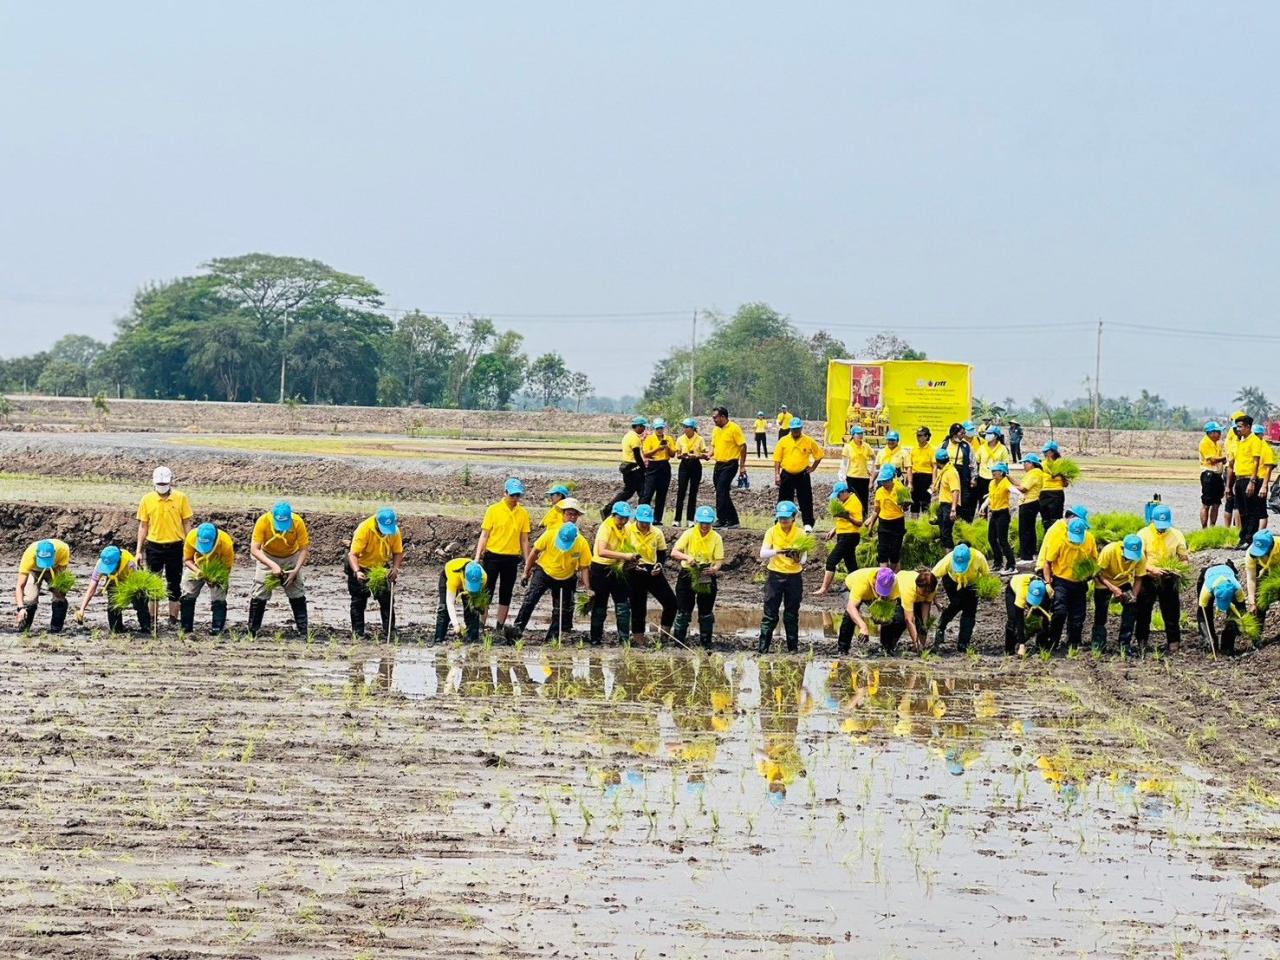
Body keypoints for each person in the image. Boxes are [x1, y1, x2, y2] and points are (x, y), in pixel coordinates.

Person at [514, 502, 592, 643]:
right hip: (544, 571)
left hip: (566, 577)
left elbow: (584, 567)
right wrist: (526, 572)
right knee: (530, 600)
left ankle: (552, 638)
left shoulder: (582, 543)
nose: (572, 517)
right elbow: (534, 552)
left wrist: (587, 588)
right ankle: (516, 631)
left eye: (575, 514)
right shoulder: (550, 534)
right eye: (569, 514)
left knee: (561, 610)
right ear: (563, 515)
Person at [135, 465, 193, 625]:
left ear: (170, 482)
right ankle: (152, 619)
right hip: (154, 547)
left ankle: (173, 618)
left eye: (164, 485)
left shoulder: (181, 498)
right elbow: (143, 526)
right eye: (159, 485)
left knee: (174, 584)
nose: (162, 488)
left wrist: (191, 548)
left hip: (175, 546)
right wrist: (138, 551)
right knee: (153, 585)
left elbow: (186, 523)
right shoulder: (147, 500)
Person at [474, 478, 532, 632]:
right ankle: (481, 624)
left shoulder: (523, 513)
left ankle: (499, 627)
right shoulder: (493, 510)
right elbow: (484, 534)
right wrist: (477, 556)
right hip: (492, 556)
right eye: (512, 495)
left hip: (511, 559)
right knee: (487, 591)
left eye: (517, 495)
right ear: (505, 493)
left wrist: (528, 562)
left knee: (506, 593)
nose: (514, 498)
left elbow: (524, 539)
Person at [247, 501, 310, 637]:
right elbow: (254, 549)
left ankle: (303, 631)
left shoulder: (297, 522)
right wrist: (273, 565)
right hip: (267, 556)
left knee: (297, 591)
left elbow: (304, 549)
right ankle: (252, 631)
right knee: (260, 591)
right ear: (273, 517)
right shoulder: (263, 521)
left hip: (291, 556)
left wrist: (296, 570)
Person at [1135, 504, 1188, 652]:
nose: (1162, 528)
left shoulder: (1177, 535)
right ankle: (1142, 641)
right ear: (1152, 520)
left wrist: (1177, 569)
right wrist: (1151, 569)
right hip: (1148, 577)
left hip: (1168, 578)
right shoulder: (1143, 534)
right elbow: (1138, 559)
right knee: (1143, 611)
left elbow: (1183, 558)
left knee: (1171, 611)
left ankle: (1174, 642)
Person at [671, 505, 724, 649]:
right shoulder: (689, 534)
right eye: (702, 523)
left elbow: (719, 560)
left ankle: (706, 643)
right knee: (683, 610)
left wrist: (713, 569)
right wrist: (687, 557)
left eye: (708, 523)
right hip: (688, 574)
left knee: (706, 612)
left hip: (706, 575)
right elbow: (674, 552)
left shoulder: (716, 537)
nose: (705, 526)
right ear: (697, 521)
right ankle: (679, 643)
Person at [758, 500, 808, 653]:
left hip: (794, 577)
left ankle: (793, 649)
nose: (783, 520)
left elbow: (804, 559)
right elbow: (763, 553)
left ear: (794, 517)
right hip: (775, 576)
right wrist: (779, 551)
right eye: (780, 518)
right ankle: (763, 648)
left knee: (791, 613)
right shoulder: (772, 531)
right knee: (770, 613)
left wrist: (796, 556)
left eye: (786, 517)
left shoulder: (801, 533)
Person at [1041, 517, 1098, 651]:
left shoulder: (1089, 540)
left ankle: (1073, 642)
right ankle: (1053, 640)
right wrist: (1048, 582)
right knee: (1059, 612)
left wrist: (1089, 573)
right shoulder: (1059, 540)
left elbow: (1094, 560)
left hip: (1080, 581)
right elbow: (1048, 562)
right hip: (1061, 581)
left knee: (1078, 615)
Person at [347, 508, 404, 637]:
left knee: (387, 599)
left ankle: (389, 630)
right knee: (359, 600)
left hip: (380, 567)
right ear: (377, 522)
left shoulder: (394, 531)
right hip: (360, 565)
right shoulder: (364, 529)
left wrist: (395, 569)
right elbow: (353, 554)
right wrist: (357, 572)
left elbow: (398, 552)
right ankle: (358, 633)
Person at [625, 504, 676, 642]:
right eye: (642, 522)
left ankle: (665, 635)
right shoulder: (627, 530)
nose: (645, 525)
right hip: (634, 571)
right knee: (638, 608)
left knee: (671, 602)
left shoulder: (656, 532)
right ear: (636, 519)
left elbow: (661, 553)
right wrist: (630, 564)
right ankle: (638, 639)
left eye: (648, 522)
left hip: (652, 571)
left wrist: (659, 565)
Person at [590, 502, 637, 644]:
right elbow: (601, 551)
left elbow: (627, 548)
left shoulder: (627, 528)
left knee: (622, 605)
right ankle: (595, 639)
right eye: (620, 518)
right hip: (601, 569)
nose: (623, 521)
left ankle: (624, 639)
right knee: (600, 605)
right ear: (613, 515)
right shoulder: (606, 527)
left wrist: (631, 559)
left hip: (618, 569)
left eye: (625, 518)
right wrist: (625, 557)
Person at [1092, 534, 1146, 656]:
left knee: (1131, 609)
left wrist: (1134, 595)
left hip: (1122, 581)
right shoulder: (1109, 550)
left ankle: (1125, 644)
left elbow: (1138, 578)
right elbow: (1097, 573)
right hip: (1104, 582)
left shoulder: (1140, 557)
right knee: (1101, 612)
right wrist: (1112, 588)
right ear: (1122, 549)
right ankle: (1098, 643)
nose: (1130, 560)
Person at [932, 543, 990, 652]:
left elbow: (987, 576)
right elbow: (932, 577)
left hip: (972, 584)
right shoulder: (948, 559)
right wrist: (934, 599)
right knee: (956, 604)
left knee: (969, 611)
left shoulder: (978, 557)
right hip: (952, 581)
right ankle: (941, 626)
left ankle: (963, 643)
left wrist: (986, 591)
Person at [180, 522, 235, 633]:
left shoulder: (225, 543)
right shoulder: (191, 536)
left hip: (218, 569)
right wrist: (198, 572)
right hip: (196, 566)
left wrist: (216, 578)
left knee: (219, 597)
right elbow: (187, 560)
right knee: (187, 594)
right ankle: (186, 627)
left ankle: (217, 628)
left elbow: (227, 568)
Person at [773, 417, 824, 532]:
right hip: (786, 474)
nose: (795, 431)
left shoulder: (808, 441)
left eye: (797, 429)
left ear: (801, 428)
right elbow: (777, 459)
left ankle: (808, 523)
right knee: (784, 499)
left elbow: (819, 455)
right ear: (790, 429)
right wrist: (777, 474)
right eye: (793, 429)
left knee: (805, 499)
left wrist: (812, 468)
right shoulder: (783, 441)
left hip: (802, 474)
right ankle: (781, 521)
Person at [815, 481, 863, 595]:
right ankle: (858, 587)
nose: (838, 498)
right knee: (850, 563)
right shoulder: (845, 501)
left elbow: (859, 522)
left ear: (845, 492)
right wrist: (835, 529)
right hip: (843, 535)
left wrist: (847, 517)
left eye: (838, 495)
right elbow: (842, 520)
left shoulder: (854, 502)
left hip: (850, 536)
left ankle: (824, 588)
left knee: (831, 561)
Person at [14, 538, 71, 633]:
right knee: (30, 599)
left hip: (54, 568)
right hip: (34, 570)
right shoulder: (29, 556)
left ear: (54, 553)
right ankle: (24, 630)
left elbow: (62, 577)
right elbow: (20, 586)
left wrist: (57, 589)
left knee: (59, 597)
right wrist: (20, 608)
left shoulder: (63, 549)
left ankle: (56, 629)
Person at [837, 566, 898, 654]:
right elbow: (851, 607)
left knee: (886, 616)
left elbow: (892, 604)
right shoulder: (862, 582)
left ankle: (886, 648)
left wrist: (881, 615)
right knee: (851, 614)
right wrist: (863, 626)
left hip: (870, 594)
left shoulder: (895, 582)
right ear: (875, 580)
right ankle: (842, 648)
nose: (881, 593)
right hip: (849, 588)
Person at [1196, 562, 1247, 655]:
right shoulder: (1206, 589)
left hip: (1227, 571)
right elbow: (1202, 615)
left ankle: (1227, 644)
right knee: (1206, 613)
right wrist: (1208, 637)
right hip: (1208, 575)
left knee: (1234, 615)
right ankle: (1211, 642)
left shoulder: (1237, 588)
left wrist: (1243, 624)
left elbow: (1241, 608)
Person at [433, 558, 488, 643]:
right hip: (449, 575)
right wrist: (456, 625)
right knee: (444, 608)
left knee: (471, 608)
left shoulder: (483, 577)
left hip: (464, 581)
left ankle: (473, 639)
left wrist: (479, 606)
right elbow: (450, 603)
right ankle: (438, 639)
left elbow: (478, 601)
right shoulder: (453, 576)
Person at [865, 466, 909, 570]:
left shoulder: (900, 489)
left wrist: (906, 504)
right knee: (882, 550)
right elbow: (876, 510)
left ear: (891, 479)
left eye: (886, 481)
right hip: (883, 523)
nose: (884, 484)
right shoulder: (879, 492)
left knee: (895, 550)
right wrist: (871, 525)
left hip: (897, 522)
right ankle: (884, 574)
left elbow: (906, 507)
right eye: (882, 482)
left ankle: (893, 573)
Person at [710, 407, 747, 529]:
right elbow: (713, 446)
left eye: (715, 417)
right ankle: (733, 520)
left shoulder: (734, 428)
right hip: (718, 464)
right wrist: (708, 455)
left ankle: (721, 519)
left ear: (723, 417)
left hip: (730, 464)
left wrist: (742, 466)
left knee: (721, 490)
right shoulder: (715, 430)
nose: (713, 420)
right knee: (722, 492)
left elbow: (743, 446)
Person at [604, 416, 648, 517]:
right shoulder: (635, 438)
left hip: (627, 467)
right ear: (638, 426)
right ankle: (641, 514)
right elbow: (637, 456)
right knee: (640, 492)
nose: (644, 429)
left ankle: (609, 508)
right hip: (634, 467)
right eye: (643, 427)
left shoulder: (627, 436)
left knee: (631, 491)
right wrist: (644, 468)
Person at [640, 419, 677, 524]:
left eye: (661, 428)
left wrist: (667, 447)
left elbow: (673, 454)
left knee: (662, 493)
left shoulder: (668, 438)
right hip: (653, 465)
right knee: (648, 493)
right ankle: (642, 516)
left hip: (664, 465)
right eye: (657, 428)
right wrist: (658, 448)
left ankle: (657, 519)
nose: (660, 430)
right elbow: (646, 454)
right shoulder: (649, 439)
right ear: (654, 429)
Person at [1004, 575, 1053, 656]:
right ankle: (1009, 649)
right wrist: (1022, 645)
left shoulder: (1048, 591)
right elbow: (1019, 618)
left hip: (1039, 594)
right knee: (1013, 620)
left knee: (1038, 620)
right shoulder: (1022, 592)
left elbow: (1046, 614)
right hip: (1012, 589)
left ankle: (1041, 646)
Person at [673, 418, 707, 528]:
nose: (685, 429)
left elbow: (704, 453)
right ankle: (677, 519)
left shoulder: (700, 439)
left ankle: (690, 519)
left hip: (695, 465)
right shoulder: (680, 439)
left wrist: (698, 455)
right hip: (684, 465)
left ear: (692, 428)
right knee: (681, 492)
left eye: (687, 427)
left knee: (693, 492)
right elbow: (677, 455)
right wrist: (682, 455)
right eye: (684, 427)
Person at [1245, 530, 1279, 633]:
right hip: (1264, 569)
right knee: (1260, 601)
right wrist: (1251, 602)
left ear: (1271, 547)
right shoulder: (1251, 554)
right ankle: (1257, 636)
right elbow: (1251, 578)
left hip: (1277, 568)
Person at [985, 462, 1017, 572]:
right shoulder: (991, 483)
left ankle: (1011, 564)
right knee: (991, 538)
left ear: (1002, 472)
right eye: (992, 471)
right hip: (994, 513)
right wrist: (982, 507)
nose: (993, 473)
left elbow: (1013, 490)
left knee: (1002, 540)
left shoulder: (1005, 482)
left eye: (995, 471)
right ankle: (998, 562)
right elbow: (990, 497)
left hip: (1003, 514)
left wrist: (1021, 495)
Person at [1016, 454, 1045, 563]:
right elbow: (1021, 484)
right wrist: (1009, 478)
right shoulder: (1032, 473)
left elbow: (1023, 488)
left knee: (1025, 529)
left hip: (1029, 502)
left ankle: (1026, 556)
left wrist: (1010, 488)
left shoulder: (1035, 473)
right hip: (1031, 502)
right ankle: (1031, 553)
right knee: (1029, 528)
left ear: (1033, 464)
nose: (1024, 465)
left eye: (1026, 463)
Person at [1199, 422, 1228, 529]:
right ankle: (1204, 528)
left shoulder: (1216, 443)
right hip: (1208, 475)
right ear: (1211, 433)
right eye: (1218, 432)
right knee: (1206, 503)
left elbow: (1219, 460)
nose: (1220, 434)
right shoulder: (1205, 443)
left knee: (1216, 503)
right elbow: (1212, 459)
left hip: (1217, 475)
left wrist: (1223, 459)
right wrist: (1226, 457)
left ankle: (1212, 527)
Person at [839, 425, 874, 513]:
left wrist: (870, 468)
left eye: (861, 434)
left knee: (864, 498)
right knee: (853, 498)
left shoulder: (866, 446)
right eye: (858, 434)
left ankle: (864, 517)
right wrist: (842, 475)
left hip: (864, 477)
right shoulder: (848, 447)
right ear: (853, 435)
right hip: (852, 476)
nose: (860, 436)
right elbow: (844, 463)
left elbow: (874, 458)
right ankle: (853, 515)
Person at [974, 429, 1010, 512]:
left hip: (996, 478)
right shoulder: (982, 447)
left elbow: (1005, 465)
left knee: (996, 499)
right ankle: (982, 519)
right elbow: (977, 461)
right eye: (987, 433)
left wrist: (1005, 478)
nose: (987, 435)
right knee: (982, 500)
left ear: (996, 436)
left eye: (990, 434)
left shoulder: (1003, 449)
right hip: (983, 477)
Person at [944, 424, 975, 521]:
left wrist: (974, 478)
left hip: (963, 476)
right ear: (953, 433)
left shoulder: (966, 446)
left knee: (963, 499)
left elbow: (973, 463)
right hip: (947, 476)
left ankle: (961, 523)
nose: (963, 436)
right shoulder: (944, 445)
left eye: (964, 434)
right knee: (948, 498)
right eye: (961, 433)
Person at [933, 447, 961, 550]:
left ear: (937, 462)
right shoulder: (945, 470)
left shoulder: (951, 472)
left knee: (946, 533)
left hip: (949, 506)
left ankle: (950, 558)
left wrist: (953, 509)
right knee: (943, 532)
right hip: (944, 505)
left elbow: (955, 490)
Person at [1224, 410, 1248, 529]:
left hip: (1235, 471)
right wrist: (1229, 485)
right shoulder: (1235, 439)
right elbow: (1231, 463)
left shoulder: (1234, 436)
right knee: (1235, 503)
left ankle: (1233, 529)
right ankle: (1237, 530)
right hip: (1234, 472)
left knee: (1234, 503)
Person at [1039, 441, 1069, 528]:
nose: (1045, 454)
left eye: (1047, 452)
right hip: (1043, 494)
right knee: (1045, 521)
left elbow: (1065, 484)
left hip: (1056, 494)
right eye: (1044, 452)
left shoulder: (1061, 464)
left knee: (1056, 521)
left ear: (1053, 452)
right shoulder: (1042, 464)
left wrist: (1060, 475)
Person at [908, 427, 936, 515]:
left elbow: (934, 467)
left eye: (920, 435)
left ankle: (925, 523)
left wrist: (934, 483)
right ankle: (914, 524)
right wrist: (910, 482)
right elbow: (910, 467)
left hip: (927, 478)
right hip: (916, 477)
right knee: (914, 502)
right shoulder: (914, 449)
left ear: (926, 436)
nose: (918, 437)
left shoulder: (931, 450)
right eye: (917, 435)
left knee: (925, 503)